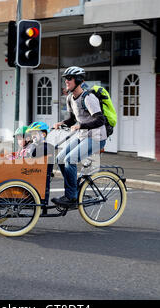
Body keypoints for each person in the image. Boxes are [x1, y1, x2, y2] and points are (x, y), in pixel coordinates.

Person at [51, 66, 107, 207]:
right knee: (60, 158)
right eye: (66, 79)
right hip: (82, 135)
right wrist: (61, 123)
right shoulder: (70, 98)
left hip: (96, 137)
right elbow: (72, 119)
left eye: (69, 79)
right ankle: (73, 189)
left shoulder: (88, 98)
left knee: (71, 159)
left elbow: (100, 120)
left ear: (78, 80)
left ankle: (71, 197)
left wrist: (80, 126)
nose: (66, 82)